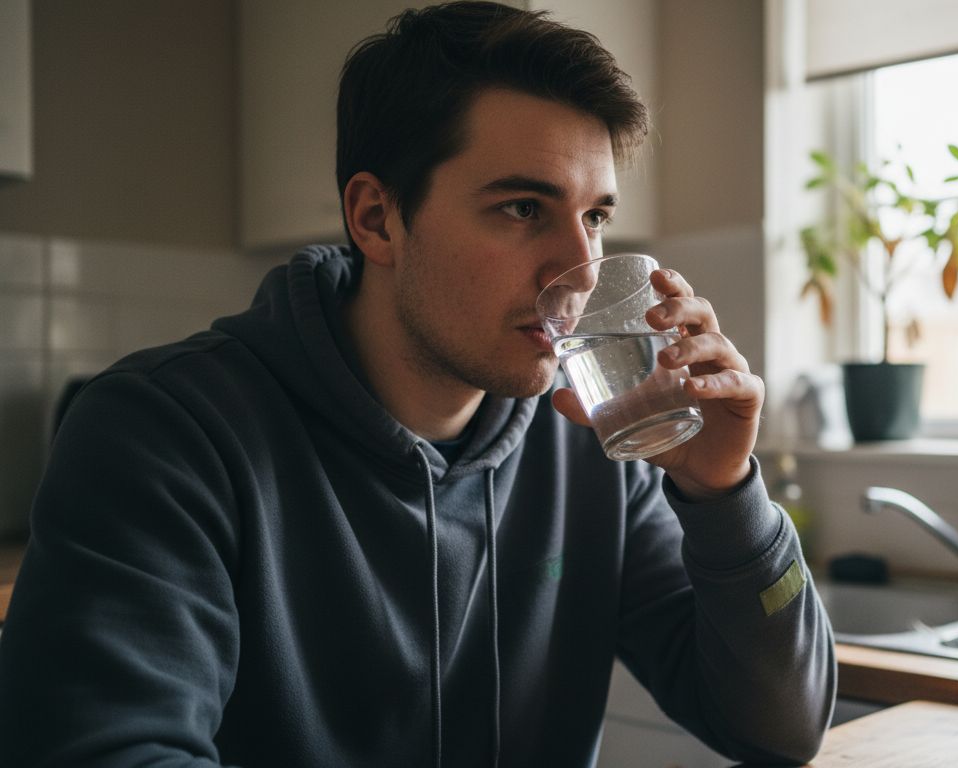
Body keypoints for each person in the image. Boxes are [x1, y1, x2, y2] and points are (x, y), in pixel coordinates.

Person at [0, 2, 836, 766]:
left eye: (595, 216)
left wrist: (724, 491)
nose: (581, 269)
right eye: (521, 208)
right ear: (376, 218)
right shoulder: (162, 436)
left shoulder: (589, 444)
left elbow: (781, 729)